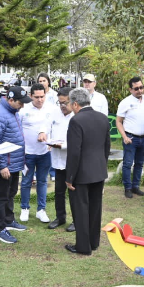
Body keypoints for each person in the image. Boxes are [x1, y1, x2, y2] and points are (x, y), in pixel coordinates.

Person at [64, 88, 110, 256]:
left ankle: (83, 246)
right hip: (98, 171)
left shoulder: (76, 121)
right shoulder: (103, 118)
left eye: (70, 103)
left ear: (75, 103)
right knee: (95, 208)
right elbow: (107, 148)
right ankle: (94, 242)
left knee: (81, 209)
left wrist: (69, 177)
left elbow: (74, 152)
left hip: (82, 173)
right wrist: (102, 167)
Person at [0, 86, 31, 244]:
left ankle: (9, 220)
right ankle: (0, 229)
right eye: (20, 102)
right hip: (4, 165)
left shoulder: (13, 112)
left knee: (11, 193)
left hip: (14, 163)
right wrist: (2, 166)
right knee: (1, 196)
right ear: (10, 100)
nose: (23, 106)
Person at [19, 83, 54, 224]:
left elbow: (54, 126)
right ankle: (24, 208)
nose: (40, 100)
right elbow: (18, 129)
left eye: (42, 96)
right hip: (27, 153)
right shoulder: (24, 110)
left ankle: (41, 210)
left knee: (42, 181)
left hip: (45, 152)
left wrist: (50, 140)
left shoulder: (51, 108)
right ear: (30, 96)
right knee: (26, 181)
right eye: (36, 97)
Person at [45, 87, 76, 232]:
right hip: (57, 160)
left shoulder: (77, 116)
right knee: (59, 191)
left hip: (73, 161)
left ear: (73, 102)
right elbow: (46, 127)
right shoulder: (54, 112)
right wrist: (44, 135)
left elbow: (79, 142)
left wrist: (62, 145)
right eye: (60, 103)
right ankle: (60, 217)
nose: (62, 106)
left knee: (74, 192)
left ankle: (77, 220)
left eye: (65, 103)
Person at [116, 76, 144, 198]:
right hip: (131, 138)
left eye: (141, 87)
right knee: (127, 163)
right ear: (130, 90)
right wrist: (124, 136)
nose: (140, 90)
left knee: (140, 163)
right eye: (136, 88)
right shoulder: (125, 102)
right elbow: (118, 121)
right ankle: (127, 188)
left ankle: (136, 187)